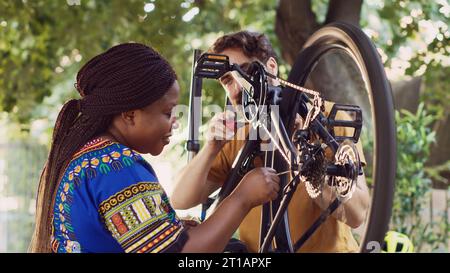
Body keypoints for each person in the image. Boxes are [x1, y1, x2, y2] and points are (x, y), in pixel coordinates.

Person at [29, 42, 280, 253]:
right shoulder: (116, 167)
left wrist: (170, 227)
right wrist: (243, 197)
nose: (174, 121)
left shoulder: (90, 159)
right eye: (167, 112)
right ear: (130, 115)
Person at [171, 31, 370, 252]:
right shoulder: (236, 135)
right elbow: (180, 200)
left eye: (245, 70)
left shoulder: (329, 118)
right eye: (227, 80)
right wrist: (211, 147)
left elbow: (357, 214)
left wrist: (311, 172)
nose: (237, 86)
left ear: (272, 67)